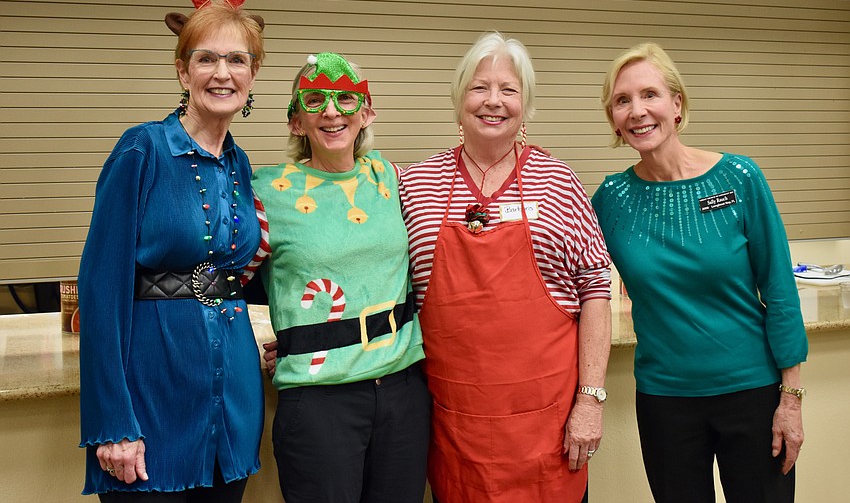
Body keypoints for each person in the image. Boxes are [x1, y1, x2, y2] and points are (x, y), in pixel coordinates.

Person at [78, 0, 267, 500]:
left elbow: (237, 274)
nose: (222, 73)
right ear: (184, 72)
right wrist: (112, 423)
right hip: (153, 397)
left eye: (237, 59)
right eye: (206, 58)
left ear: (253, 74)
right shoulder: (142, 149)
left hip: (232, 398)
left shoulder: (239, 162)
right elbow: (101, 288)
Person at [399, 31, 613, 502]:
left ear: (525, 105)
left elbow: (596, 289)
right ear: (459, 99)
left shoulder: (558, 181)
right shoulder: (415, 184)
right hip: (455, 427)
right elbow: (378, 275)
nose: (493, 101)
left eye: (508, 90)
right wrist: (314, 332)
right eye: (479, 87)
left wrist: (590, 399)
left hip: (550, 428)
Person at [591, 42, 808, 503]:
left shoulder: (739, 177)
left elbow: (779, 289)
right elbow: (570, 270)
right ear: (613, 119)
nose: (637, 110)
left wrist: (791, 398)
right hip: (665, 401)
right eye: (622, 100)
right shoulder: (611, 199)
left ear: (677, 104)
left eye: (649, 94)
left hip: (752, 393)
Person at [247, 52, 431, 503]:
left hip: (403, 391)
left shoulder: (392, 179)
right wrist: (289, 339)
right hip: (319, 402)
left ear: (366, 113)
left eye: (346, 99)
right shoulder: (264, 193)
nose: (332, 112)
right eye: (315, 100)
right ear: (296, 121)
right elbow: (224, 282)